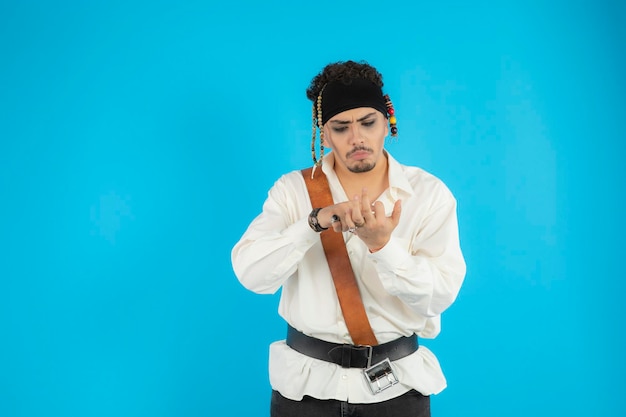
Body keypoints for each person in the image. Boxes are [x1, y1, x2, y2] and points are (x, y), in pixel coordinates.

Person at [231, 60, 466, 417]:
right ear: (323, 135)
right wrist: (313, 222)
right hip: (305, 393)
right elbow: (252, 274)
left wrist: (383, 247)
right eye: (341, 128)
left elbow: (438, 296)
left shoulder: (429, 195)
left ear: (387, 122)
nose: (357, 138)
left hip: (398, 393)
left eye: (368, 123)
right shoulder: (292, 192)